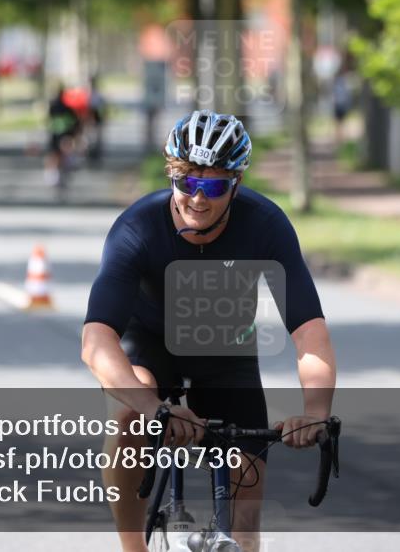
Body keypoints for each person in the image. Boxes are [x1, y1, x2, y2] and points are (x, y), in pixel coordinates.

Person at [81, 110, 337, 552]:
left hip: (224, 350)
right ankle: (133, 548)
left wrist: (315, 411)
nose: (198, 199)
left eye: (214, 187)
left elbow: (310, 333)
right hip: (150, 344)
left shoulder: (265, 225)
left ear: (236, 183)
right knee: (128, 415)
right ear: (171, 176)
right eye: (186, 183)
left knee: (245, 526)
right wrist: (155, 408)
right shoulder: (138, 227)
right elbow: (96, 341)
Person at [45, 83, 83, 187]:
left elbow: (49, 120)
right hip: (63, 133)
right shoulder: (65, 107)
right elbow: (75, 121)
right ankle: (59, 172)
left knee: (57, 154)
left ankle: (55, 174)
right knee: (61, 153)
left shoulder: (54, 106)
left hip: (58, 133)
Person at [332, 67, 352, 148]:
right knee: (340, 123)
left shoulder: (339, 83)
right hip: (340, 105)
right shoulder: (342, 83)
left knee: (340, 123)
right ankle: (340, 140)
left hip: (340, 105)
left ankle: (341, 139)